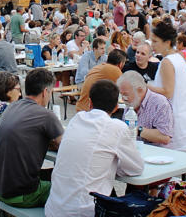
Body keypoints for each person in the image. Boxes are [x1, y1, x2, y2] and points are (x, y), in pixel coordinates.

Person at [45, 79, 144, 217]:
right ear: (116, 107)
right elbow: (136, 168)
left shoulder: (76, 119)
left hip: (53, 209)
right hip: (84, 212)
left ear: (90, 102)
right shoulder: (117, 127)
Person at [0, 68, 64, 208]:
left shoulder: (12, 107)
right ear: (45, 92)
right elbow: (65, 147)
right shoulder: (46, 115)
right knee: (68, 190)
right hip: (21, 194)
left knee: (46, 175)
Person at [147, 22, 186, 152]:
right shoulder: (178, 57)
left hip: (175, 120)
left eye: (155, 41)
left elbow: (167, 92)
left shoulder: (168, 61)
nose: (152, 45)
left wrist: (145, 87)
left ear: (167, 42)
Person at [118, 71, 173, 146]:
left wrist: (137, 130)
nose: (123, 98)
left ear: (140, 90)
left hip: (157, 153)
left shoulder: (160, 103)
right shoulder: (132, 103)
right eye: (121, 94)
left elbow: (165, 137)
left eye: (126, 94)